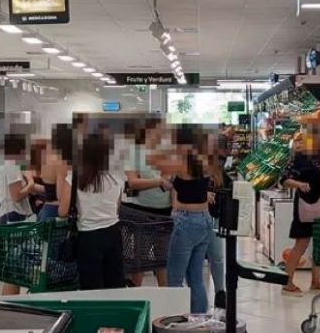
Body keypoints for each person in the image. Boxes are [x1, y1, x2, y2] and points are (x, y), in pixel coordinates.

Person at [158, 125, 220, 313]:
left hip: (186, 221)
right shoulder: (205, 160)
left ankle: (174, 320)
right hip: (204, 219)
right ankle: (200, 319)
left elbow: (166, 184)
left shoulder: (179, 162)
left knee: (174, 279)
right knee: (196, 277)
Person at [59, 132, 125, 290]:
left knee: (91, 288)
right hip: (113, 235)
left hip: (88, 238)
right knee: (115, 286)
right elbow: (117, 208)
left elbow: (62, 211)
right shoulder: (117, 177)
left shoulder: (74, 178)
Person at [279, 127, 320, 296]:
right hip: (306, 205)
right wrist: (299, 184)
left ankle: (316, 281)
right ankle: (287, 282)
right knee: (301, 244)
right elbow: (284, 180)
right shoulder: (301, 157)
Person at [123, 117, 172, 287]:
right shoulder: (133, 152)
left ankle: (164, 294)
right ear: (150, 130)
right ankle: (137, 293)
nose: (164, 132)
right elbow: (133, 182)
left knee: (162, 257)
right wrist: (159, 181)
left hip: (164, 211)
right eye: (162, 128)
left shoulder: (165, 152)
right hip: (140, 212)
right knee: (140, 257)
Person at [0, 134, 38, 295]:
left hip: (12, 217)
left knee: (14, 269)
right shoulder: (12, 165)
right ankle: (7, 304)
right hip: (14, 219)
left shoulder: (12, 164)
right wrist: (31, 184)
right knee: (15, 269)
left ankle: (6, 304)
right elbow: (16, 195)